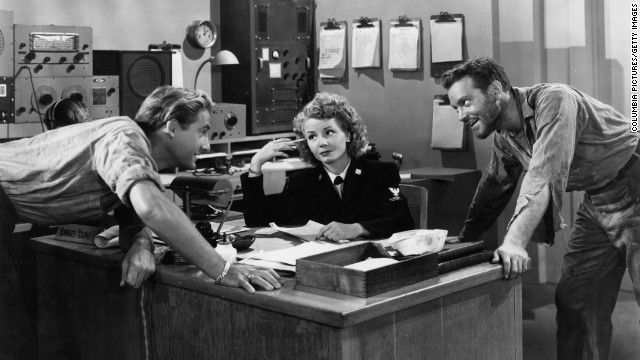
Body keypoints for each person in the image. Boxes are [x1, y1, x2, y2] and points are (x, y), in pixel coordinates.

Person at [441, 57, 639, 359]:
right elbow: (496, 183)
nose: (460, 115)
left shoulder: (554, 99)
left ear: (496, 90)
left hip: (634, 183)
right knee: (575, 300)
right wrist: (467, 236)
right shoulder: (505, 136)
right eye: (455, 107)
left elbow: (544, 173)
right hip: (598, 200)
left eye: (466, 102)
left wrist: (515, 241)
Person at [0, 85, 281, 293]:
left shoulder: (134, 153)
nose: (206, 145)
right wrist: (224, 271)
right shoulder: (126, 136)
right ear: (171, 126)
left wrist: (142, 243)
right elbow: (152, 208)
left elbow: (134, 215)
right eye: (202, 131)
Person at [241, 92, 414, 241]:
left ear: (347, 134)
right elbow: (258, 220)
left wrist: (358, 228)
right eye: (312, 137)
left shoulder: (380, 173)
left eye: (329, 132)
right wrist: (256, 164)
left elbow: (403, 221)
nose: (321, 143)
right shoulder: (301, 182)